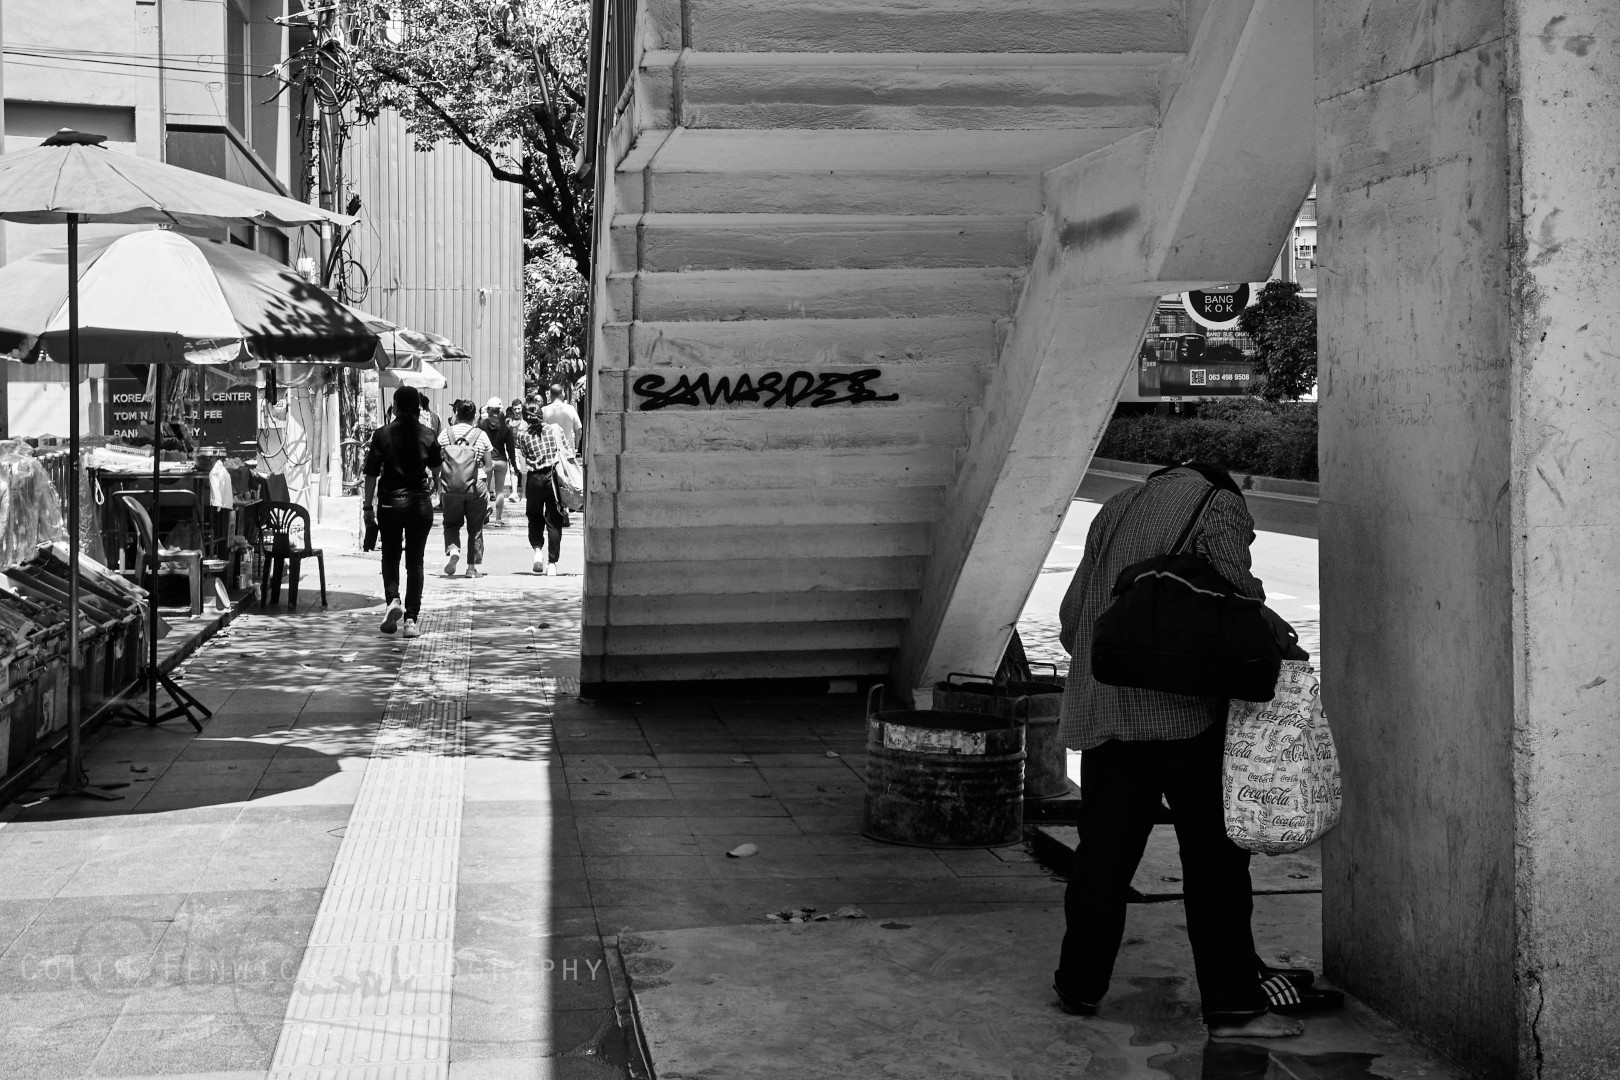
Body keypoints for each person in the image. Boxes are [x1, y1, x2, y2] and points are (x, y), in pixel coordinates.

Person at [1053, 461, 1320, 1039]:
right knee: (1215, 863)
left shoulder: (1115, 506)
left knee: (1102, 855)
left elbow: (1073, 617)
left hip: (1103, 708)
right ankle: (1231, 1005)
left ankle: (1078, 985)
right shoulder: (1216, 505)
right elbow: (1241, 598)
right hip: (1184, 715)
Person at [362, 386, 441, 639]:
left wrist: (367, 508)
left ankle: (393, 600)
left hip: (390, 504)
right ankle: (411, 620)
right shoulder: (427, 434)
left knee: (391, 555)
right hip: (419, 504)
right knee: (415, 562)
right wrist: (433, 484)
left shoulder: (382, 434)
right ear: (418, 407)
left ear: (394, 406)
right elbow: (438, 470)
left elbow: (371, 474)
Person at [439, 399, 494, 578]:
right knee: (475, 526)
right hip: (476, 485)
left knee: (451, 523)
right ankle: (471, 568)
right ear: (474, 416)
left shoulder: (445, 434)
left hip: (451, 485)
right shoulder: (481, 435)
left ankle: (454, 550)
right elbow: (488, 465)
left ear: (456, 414)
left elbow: (437, 459)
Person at [517, 402, 571, 575]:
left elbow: (524, 457)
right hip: (553, 478)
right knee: (554, 520)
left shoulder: (522, 435)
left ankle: (537, 552)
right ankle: (552, 564)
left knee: (534, 517)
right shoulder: (555, 430)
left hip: (534, 479)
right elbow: (566, 451)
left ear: (525, 417)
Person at [478, 396, 515, 528]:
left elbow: (477, 442)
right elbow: (510, 449)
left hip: (486, 462)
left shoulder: (482, 424)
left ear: (488, 409)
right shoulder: (506, 427)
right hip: (501, 461)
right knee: (499, 491)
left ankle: (484, 513)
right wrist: (514, 465)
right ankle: (498, 520)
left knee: (485, 490)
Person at [541, 381, 583, 454]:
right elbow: (578, 430)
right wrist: (576, 447)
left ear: (551, 395)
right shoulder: (571, 409)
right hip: (568, 452)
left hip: (550, 453)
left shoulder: (544, 410)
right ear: (562, 394)